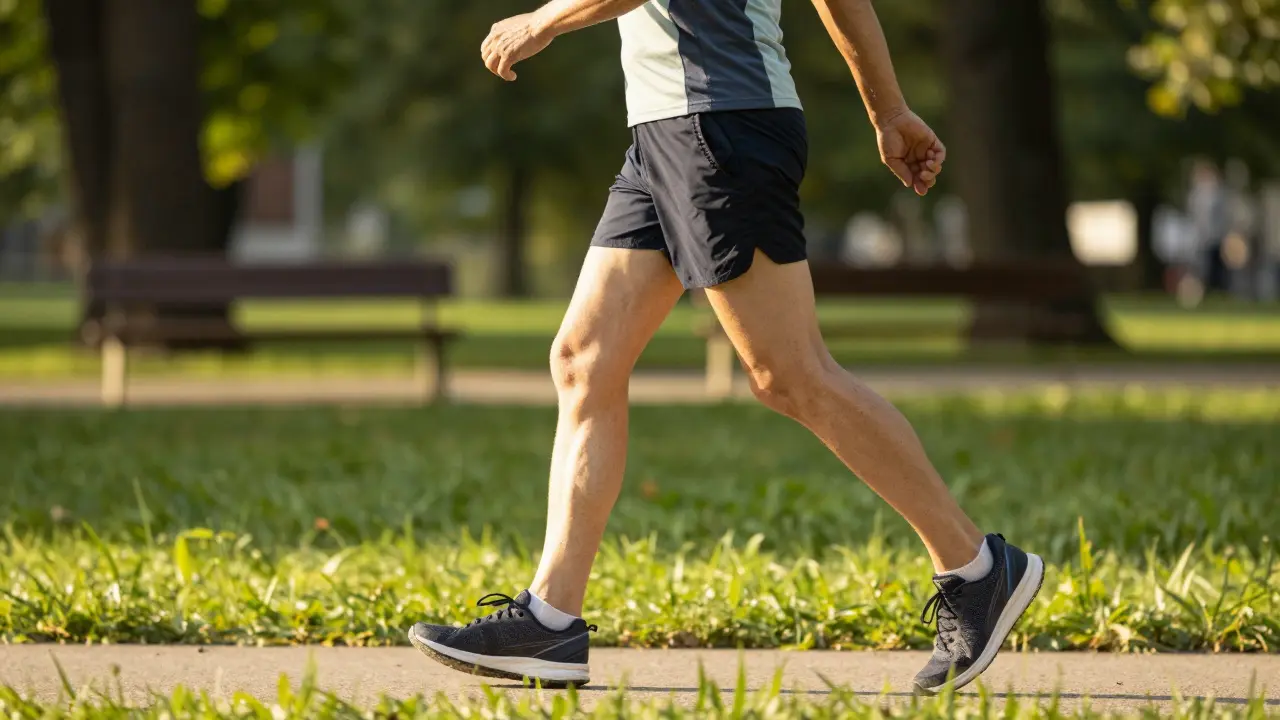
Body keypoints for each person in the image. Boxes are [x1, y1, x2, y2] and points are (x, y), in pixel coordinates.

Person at [409, 0, 1044, 695]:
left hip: (721, 124)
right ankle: (551, 618)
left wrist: (547, 19)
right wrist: (887, 111)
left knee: (790, 374)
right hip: (666, 129)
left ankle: (977, 569)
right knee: (583, 359)